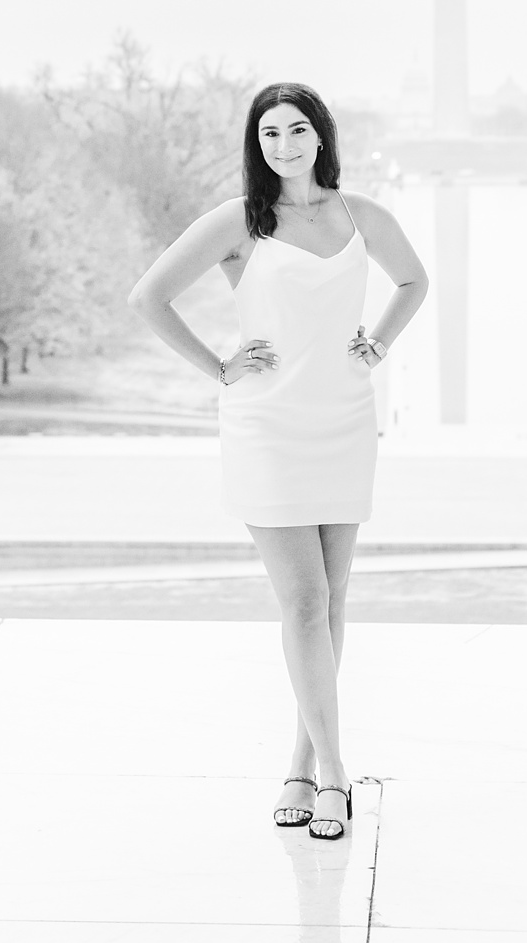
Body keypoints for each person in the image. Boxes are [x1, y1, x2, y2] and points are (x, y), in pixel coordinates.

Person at [127, 81, 426, 843]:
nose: (284, 145)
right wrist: (218, 365)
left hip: (345, 419)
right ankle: (335, 773)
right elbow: (149, 297)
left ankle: (300, 759)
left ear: (321, 135)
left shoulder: (362, 215)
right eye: (269, 134)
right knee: (302, 600)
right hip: (267, 426)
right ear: (255, 145)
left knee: (329, 601)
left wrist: (380, 341)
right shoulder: (241, 221)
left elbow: (415, 280)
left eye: (297, 129)